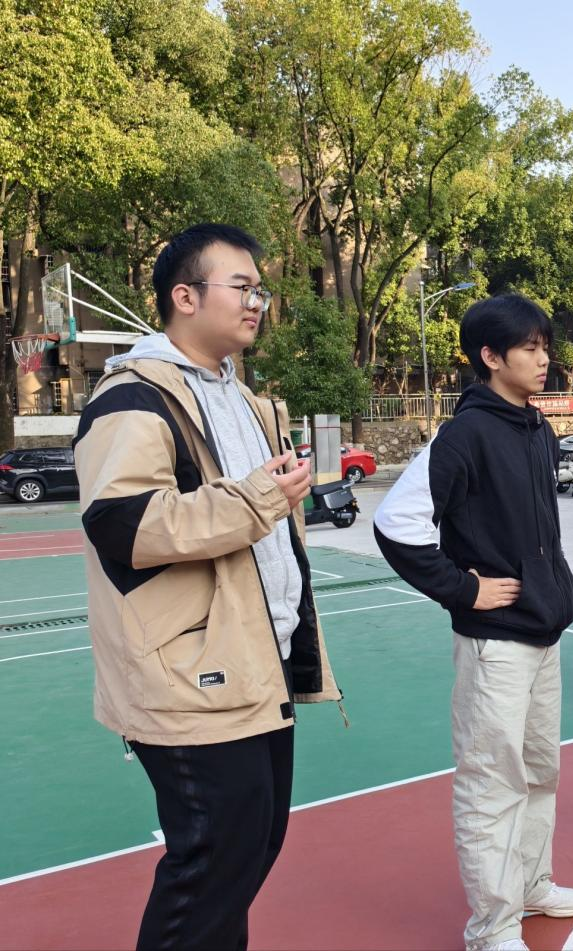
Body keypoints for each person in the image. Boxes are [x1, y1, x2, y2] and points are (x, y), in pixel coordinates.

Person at [73, 223, 343, 949]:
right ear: (184, 297)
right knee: (213, 860)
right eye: (242, 287)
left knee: (250, 848)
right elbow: (125, 526)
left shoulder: (248, 401)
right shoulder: (132, 396)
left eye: (261, 290)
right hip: (189, 671)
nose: (257, 302)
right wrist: (258, 498)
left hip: (259, 659)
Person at [373, 295, 573, 951]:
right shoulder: (464, 434)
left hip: (543, 632)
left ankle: (530, 885)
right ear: (491, 356)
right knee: (492, 782)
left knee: (540, 772)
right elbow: (396, 523)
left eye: (545, 346)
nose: (544, 358)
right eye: (530, 348)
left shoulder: (537, 428)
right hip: (496, 644)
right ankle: (493, 926)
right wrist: (464, 589)